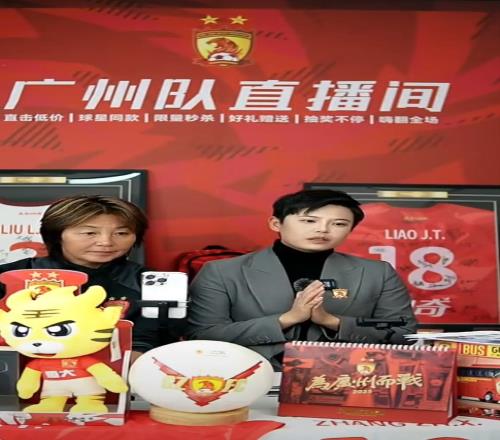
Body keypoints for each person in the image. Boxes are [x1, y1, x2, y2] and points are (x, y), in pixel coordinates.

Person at [185, 189, 418, 371]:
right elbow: (203, 334)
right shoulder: (222, 272)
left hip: (349, 377)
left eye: (339, 224)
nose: (323, 230)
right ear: (276, 223)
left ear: (350, 229)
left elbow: (404, 334)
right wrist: (287, 319)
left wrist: (332, 321)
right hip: (250, 377)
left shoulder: (377, 272)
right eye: (309, 221)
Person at [0, 195, 180, 359]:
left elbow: (153, 340)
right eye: (89, 233)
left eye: (121, 233)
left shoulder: (155, 283)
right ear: (57, 235)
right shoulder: (8, 277)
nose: (106, 242)